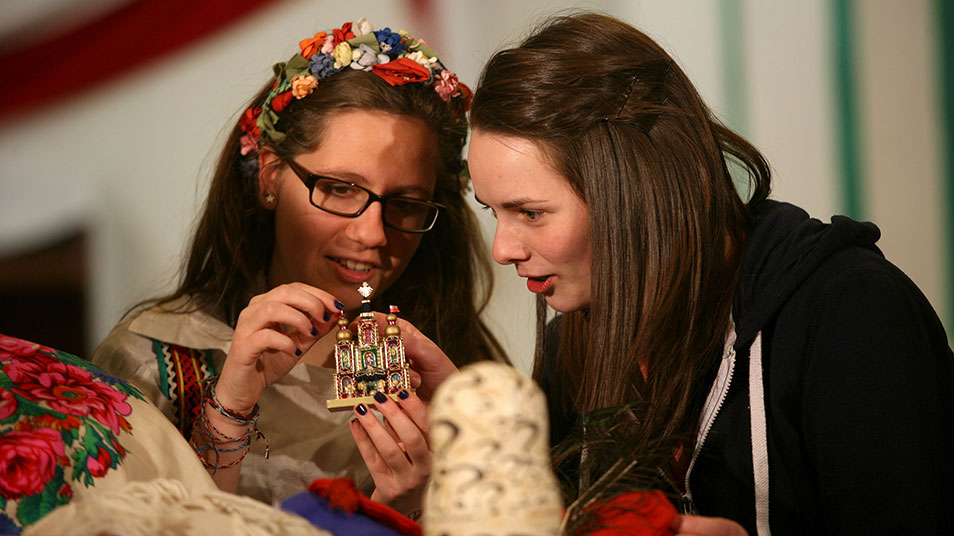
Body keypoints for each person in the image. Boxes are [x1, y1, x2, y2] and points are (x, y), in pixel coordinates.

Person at [370, 12, 954, 535]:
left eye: (531, 212)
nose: (503, 249)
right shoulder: (575, 343)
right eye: (493, 212)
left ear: (633, 187)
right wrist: (482, 449)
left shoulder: (850, 315)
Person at [92, 17, 507, 510]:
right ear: (269, 177)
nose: (372, 233)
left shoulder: (462, 377)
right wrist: (225, 417)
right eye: (339, 188)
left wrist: (411, 508)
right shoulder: (155, 362)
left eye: (407, 203)